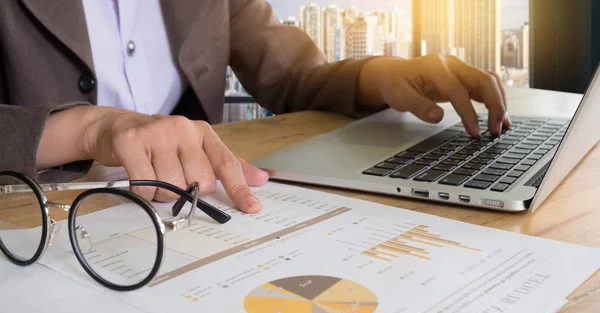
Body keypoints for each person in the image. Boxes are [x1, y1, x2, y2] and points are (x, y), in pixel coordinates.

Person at [0, 0, 509, 214]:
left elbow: (291, 77)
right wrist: (86, 128)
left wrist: (377, 75)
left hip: (192, 211)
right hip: (36, 216)